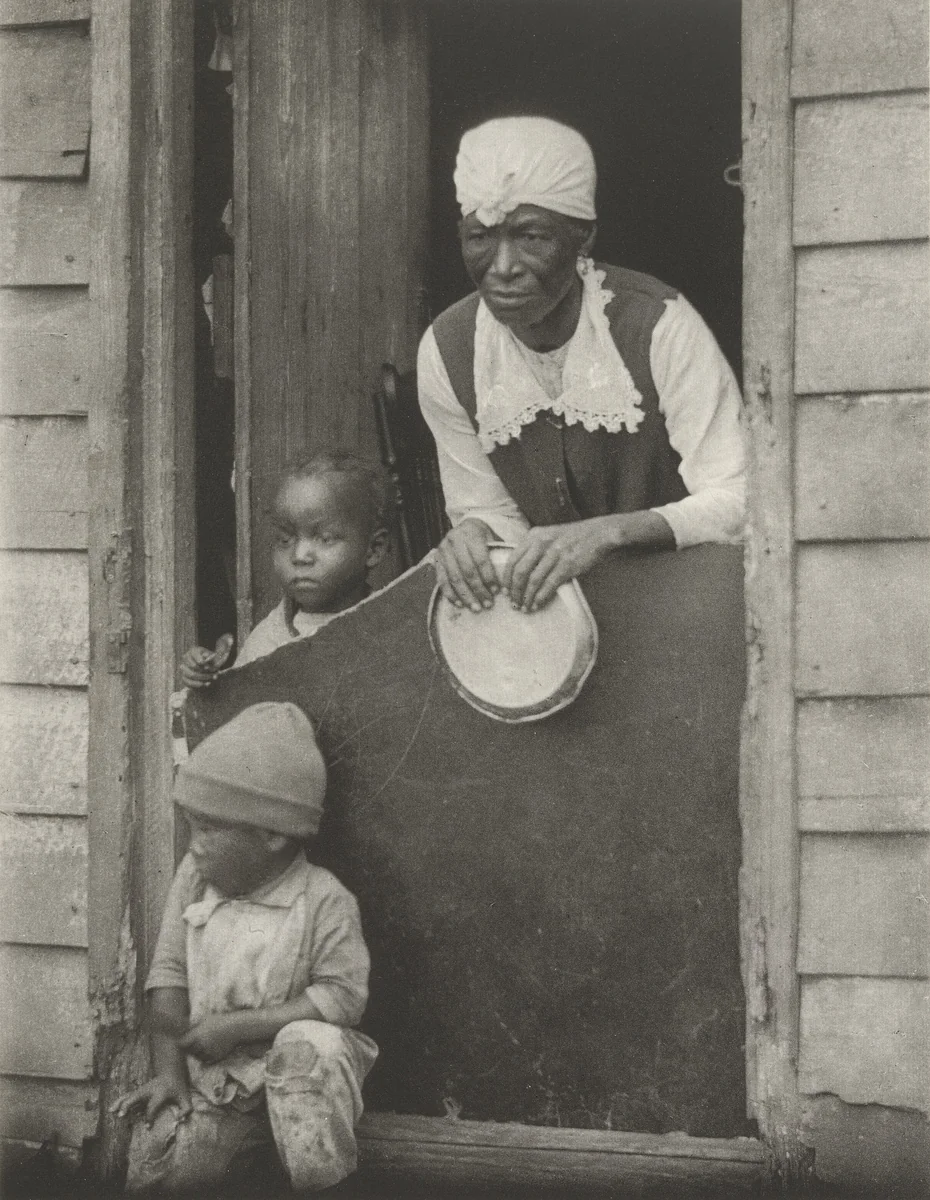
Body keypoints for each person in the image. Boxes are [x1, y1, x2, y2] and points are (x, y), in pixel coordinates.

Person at [417, 116, 746, 614]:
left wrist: (608, 533)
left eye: (531, 237)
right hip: (550, 621)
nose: (503, 266)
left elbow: (739, 498)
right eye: (480, 237)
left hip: (687, 606)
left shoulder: (658, 326)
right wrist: (475, 531)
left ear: (582, 237)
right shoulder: (450, 348)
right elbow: (487, 505)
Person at [113, 701, 378, 1194]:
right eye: (191, 826)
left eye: (209, 829)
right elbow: (168, 975)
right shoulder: (195, 877)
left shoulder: (323, 898)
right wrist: (170, 1073)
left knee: (312, 1051)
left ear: (274, 835)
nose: (194, 844)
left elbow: (344, 999)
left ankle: (325, 1184)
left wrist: (238, 1027)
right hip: (218, 1083)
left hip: (298, 1088)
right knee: (159, 1165)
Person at [180, 450, 392, 685]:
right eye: (284, 540)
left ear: (374, 549)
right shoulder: (269, 640)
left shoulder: (393, 629)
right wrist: (208, 682)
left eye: (325, 538)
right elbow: (244, 712)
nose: (299, 556)